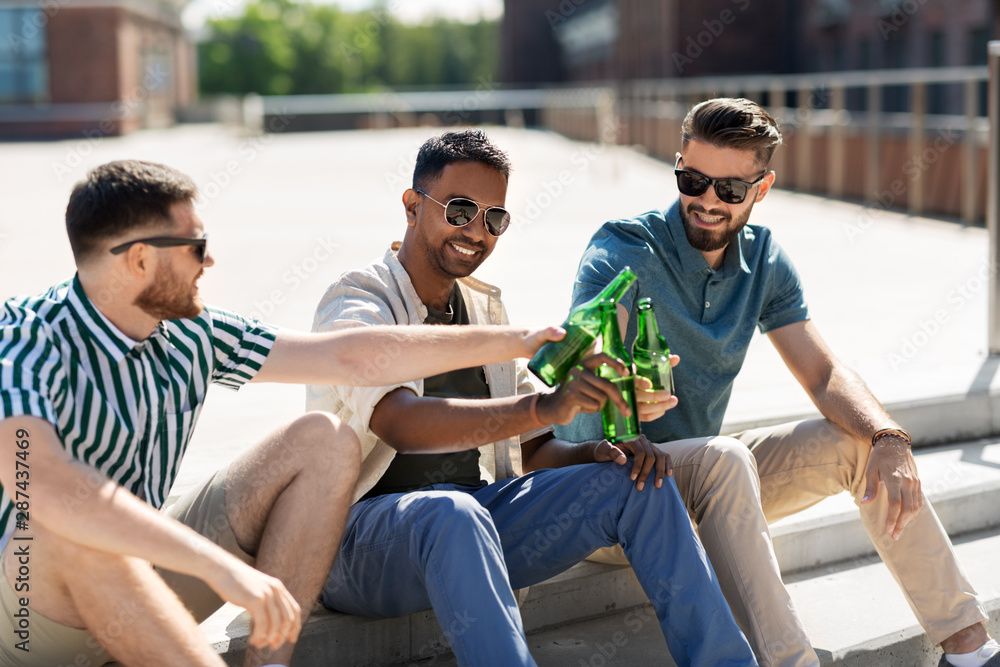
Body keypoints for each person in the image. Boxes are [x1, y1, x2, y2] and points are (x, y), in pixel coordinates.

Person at [0, 160, 568, 667]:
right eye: (195, 246)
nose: (212, 259)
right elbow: (49, 490)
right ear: (141, 257)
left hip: (143, 580)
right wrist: (222, 569)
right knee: (65, 530)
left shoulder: (194, 330)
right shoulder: (24, 338)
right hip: (31, 620)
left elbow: (354, 355)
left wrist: (523, 340)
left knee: (325, 438)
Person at [556, 97, 1000, 667]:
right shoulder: (623, 249)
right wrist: (619, 386)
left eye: (730, 190)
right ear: (677, 168)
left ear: (760, 189)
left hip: (699, 482)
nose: (707, 200)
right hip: (610, 491)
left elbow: (824, 373)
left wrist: (890, 438)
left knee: (857, 440)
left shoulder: (763, 261)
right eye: (692, 179)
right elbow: (584, 343)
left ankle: (968, 649)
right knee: (726, 460)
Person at [306, 129, 757, 667]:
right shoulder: (358, 300)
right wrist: (545, 405)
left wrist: (596, 453)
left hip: (476, 521)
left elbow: (536, 451)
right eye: (460, 209)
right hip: (359, 545)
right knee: (452, 513)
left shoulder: (485, 312)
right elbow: (398, 422)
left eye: (494, 219)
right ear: (411, 205)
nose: (476, 231)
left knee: (637, 483)